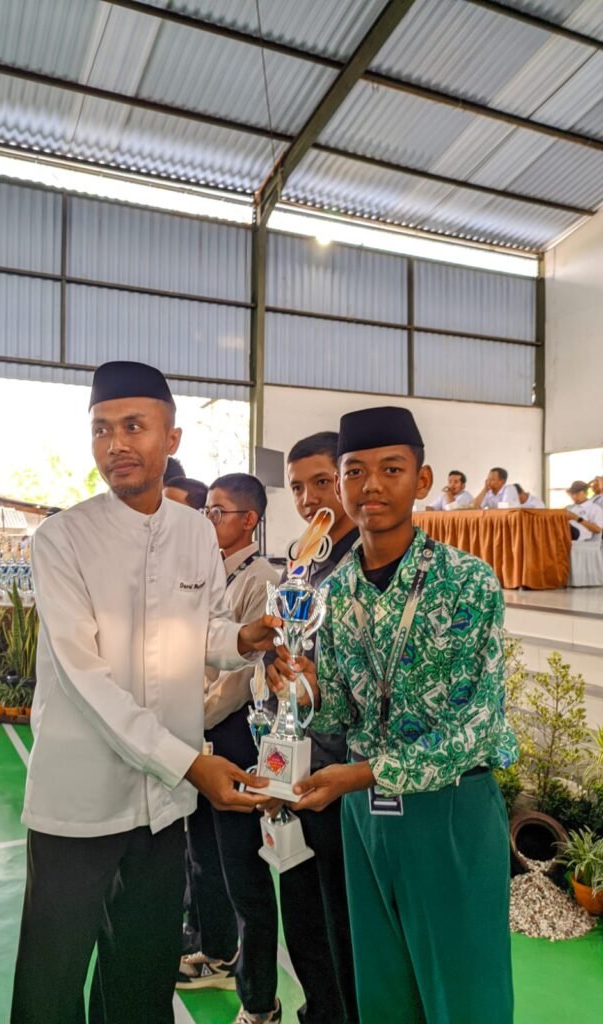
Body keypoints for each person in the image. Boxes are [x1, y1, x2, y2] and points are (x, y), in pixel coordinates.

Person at [10, 361, 277, 1024]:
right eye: (102, 429)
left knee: (140, 979)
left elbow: (203, 628)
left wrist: (245, 639)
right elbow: (85, 679)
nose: (116, 444)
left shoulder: (193, 532)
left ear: (172, 437)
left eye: (134, 426)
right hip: (80, 800)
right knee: (50, 983)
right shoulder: (62, 539)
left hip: (161, 809)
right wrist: (190, 764)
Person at [269, 406, 517, 1024]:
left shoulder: (467, 582)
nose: (371, 485)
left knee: (463, 994)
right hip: (365, 815)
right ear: (341, 484)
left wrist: (364, 773)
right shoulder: (334, 591)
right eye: (355, 471)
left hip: (449, 810)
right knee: (383, 991)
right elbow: (341, 712)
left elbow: (476, 726)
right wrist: (306, 691)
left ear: (422, 480)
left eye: (392, 469)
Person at [178, 473, 283, 1024]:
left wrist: (187, 720)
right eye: (207, 511)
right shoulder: (207, 572)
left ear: (249, 520)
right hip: (198, 732)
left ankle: (259, 999)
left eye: (217, 511)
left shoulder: (261, 580)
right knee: (202, 857)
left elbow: (238, 677)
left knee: (243, 871)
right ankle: (216, 953)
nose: (208, 520)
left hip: (234, 734)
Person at [268, 431, 360, 1024]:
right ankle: (319, 1010)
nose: (309, 499)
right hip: (295, 755)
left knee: (341, 916)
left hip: (343, 769)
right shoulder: (302, 561)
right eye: (298, 487)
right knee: (302, 909)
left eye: (322, 482)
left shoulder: (366, 562)